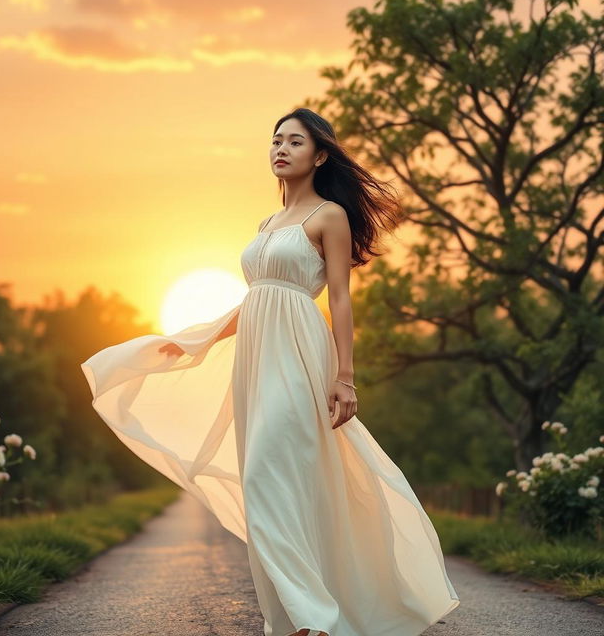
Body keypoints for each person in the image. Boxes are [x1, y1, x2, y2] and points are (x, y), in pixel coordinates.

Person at [80, 108, 460, 636]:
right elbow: (254, 300)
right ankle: (302, 615)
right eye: (275, 140)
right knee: (273, 482)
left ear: (319, 154)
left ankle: (316, 618)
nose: (280, 149)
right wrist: (195, 341)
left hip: (301, 354)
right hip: (256, 360)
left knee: (263, 473)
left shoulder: (329, 216)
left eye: (294, 141)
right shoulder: (266, 226)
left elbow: (342, 302)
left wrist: (345, 377)